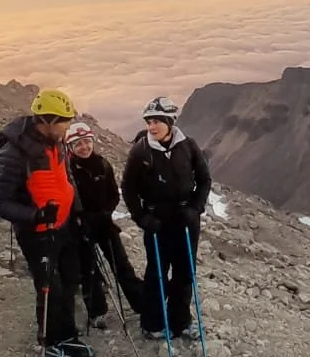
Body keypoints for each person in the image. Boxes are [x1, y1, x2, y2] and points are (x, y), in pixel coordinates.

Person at [0, 88, 93, 357]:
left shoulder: (55, 142)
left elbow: (66, 178)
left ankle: (67, 336)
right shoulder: (14, 152)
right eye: (64, 122)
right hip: (37, 233)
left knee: (71, 280)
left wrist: (79, 210)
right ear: (46, 120)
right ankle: (48, 342)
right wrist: (36, 216)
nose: (67, 128)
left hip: (64, 225)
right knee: (49, 286)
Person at [121, 97, 212, 340]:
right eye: (149, 121)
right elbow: (128, 188)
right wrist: (142, 218)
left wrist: (195, 208)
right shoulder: (141, 150)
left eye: (157, 121)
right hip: (157, 221)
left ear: (170, 122)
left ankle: (180, 322)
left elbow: (204, 180)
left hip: (185, 219)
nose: (152, 127)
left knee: (185, 272)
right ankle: (152, 323)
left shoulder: (188, 146)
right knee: (157, 272)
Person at [65, 120, 143, 328]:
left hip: (104, 225)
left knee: (122, 265)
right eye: (78, 144)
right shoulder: (67, 171)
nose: (84, 147)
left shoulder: (103, 164)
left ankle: (141, 303)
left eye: (87, 142)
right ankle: (96, 312)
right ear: (71, 148)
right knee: (89, 271)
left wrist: (105, 213)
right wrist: (80, 220)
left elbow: (113, 194)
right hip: (82, 229)